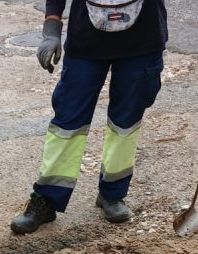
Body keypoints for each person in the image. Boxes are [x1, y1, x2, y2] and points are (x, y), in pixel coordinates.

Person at [11, 0, 167, 234]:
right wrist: (51, 29)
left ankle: (112, 194)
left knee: (125, 124)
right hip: (87, 41)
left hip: (142, 40)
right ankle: (47, 198)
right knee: (68, 123)